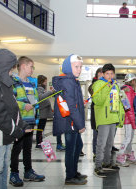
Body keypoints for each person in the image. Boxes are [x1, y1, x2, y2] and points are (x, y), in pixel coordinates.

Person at [0, 49, 32, 189]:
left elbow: (13, 108)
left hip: (7, 133)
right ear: (2, 66)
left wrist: (23, 124)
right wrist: (16, 130)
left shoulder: (4, 83)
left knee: (4, 166)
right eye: (10, 68)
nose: (11, 72)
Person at [10, 56, 45, 187]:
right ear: (23, 66)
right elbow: (11, 101)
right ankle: (14, 173)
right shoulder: (14, 82)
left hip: (30, 121)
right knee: (17, 148)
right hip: (19, 122)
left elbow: (34, 100)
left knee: (28, 148)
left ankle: (28, 171)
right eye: (31, 66)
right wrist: (23, 106)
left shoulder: (31, 84)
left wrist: (34, 106)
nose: (32, 69)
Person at [52, 55, 87, 185]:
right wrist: (80, 124)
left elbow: (74, 102)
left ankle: (74, 172)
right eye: (76, 66)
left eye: (80, 66)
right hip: (70, 122)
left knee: (78, 146)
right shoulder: (68, 81)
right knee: (71, 149)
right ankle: (70, 176)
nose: (79, 69)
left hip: (72, 121)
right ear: (68, 67)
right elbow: (71, 106)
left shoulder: (72, 80)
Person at [92, 63, 125, 177]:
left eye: (112, 73)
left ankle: (107, 163)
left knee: (110, 143)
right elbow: (98, 101)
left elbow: (118, 101)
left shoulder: (115, 85)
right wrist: (107, 88)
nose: (110, 76)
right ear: (103, 74)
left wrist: (120, 115)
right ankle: (98, 166)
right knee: (101, 143)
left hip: (113, 117)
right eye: (107, 74)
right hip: (103, 118)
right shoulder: (98, 84)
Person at [116, 73, 136, 167]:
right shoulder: (128, 91)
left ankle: (129, 154)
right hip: (128, 119)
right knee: (128, 137)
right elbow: (129, 108)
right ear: (132, 81)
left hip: (129, 118)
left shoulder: (129, 90)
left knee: (130, 137)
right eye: (135, 80)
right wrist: (133, 122)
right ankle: (120, 156)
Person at [35, 75, 54, 149]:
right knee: (40, 128)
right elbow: (41, 97)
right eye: (45, 81)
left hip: (44, 113)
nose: (46, 83)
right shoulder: (39, 88)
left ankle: (40, 141)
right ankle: (39, 142)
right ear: (42, 81)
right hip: (42, 113)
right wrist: (50, 92)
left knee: (42, 128)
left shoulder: (42, 88)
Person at [88, 67, 103, 161]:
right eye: (99, 75)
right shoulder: (93, 86)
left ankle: (102, 153)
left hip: (104, 114)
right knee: (96, 134)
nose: (101, 77)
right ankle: (95, 153)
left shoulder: (108, 84)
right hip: (96, 113)